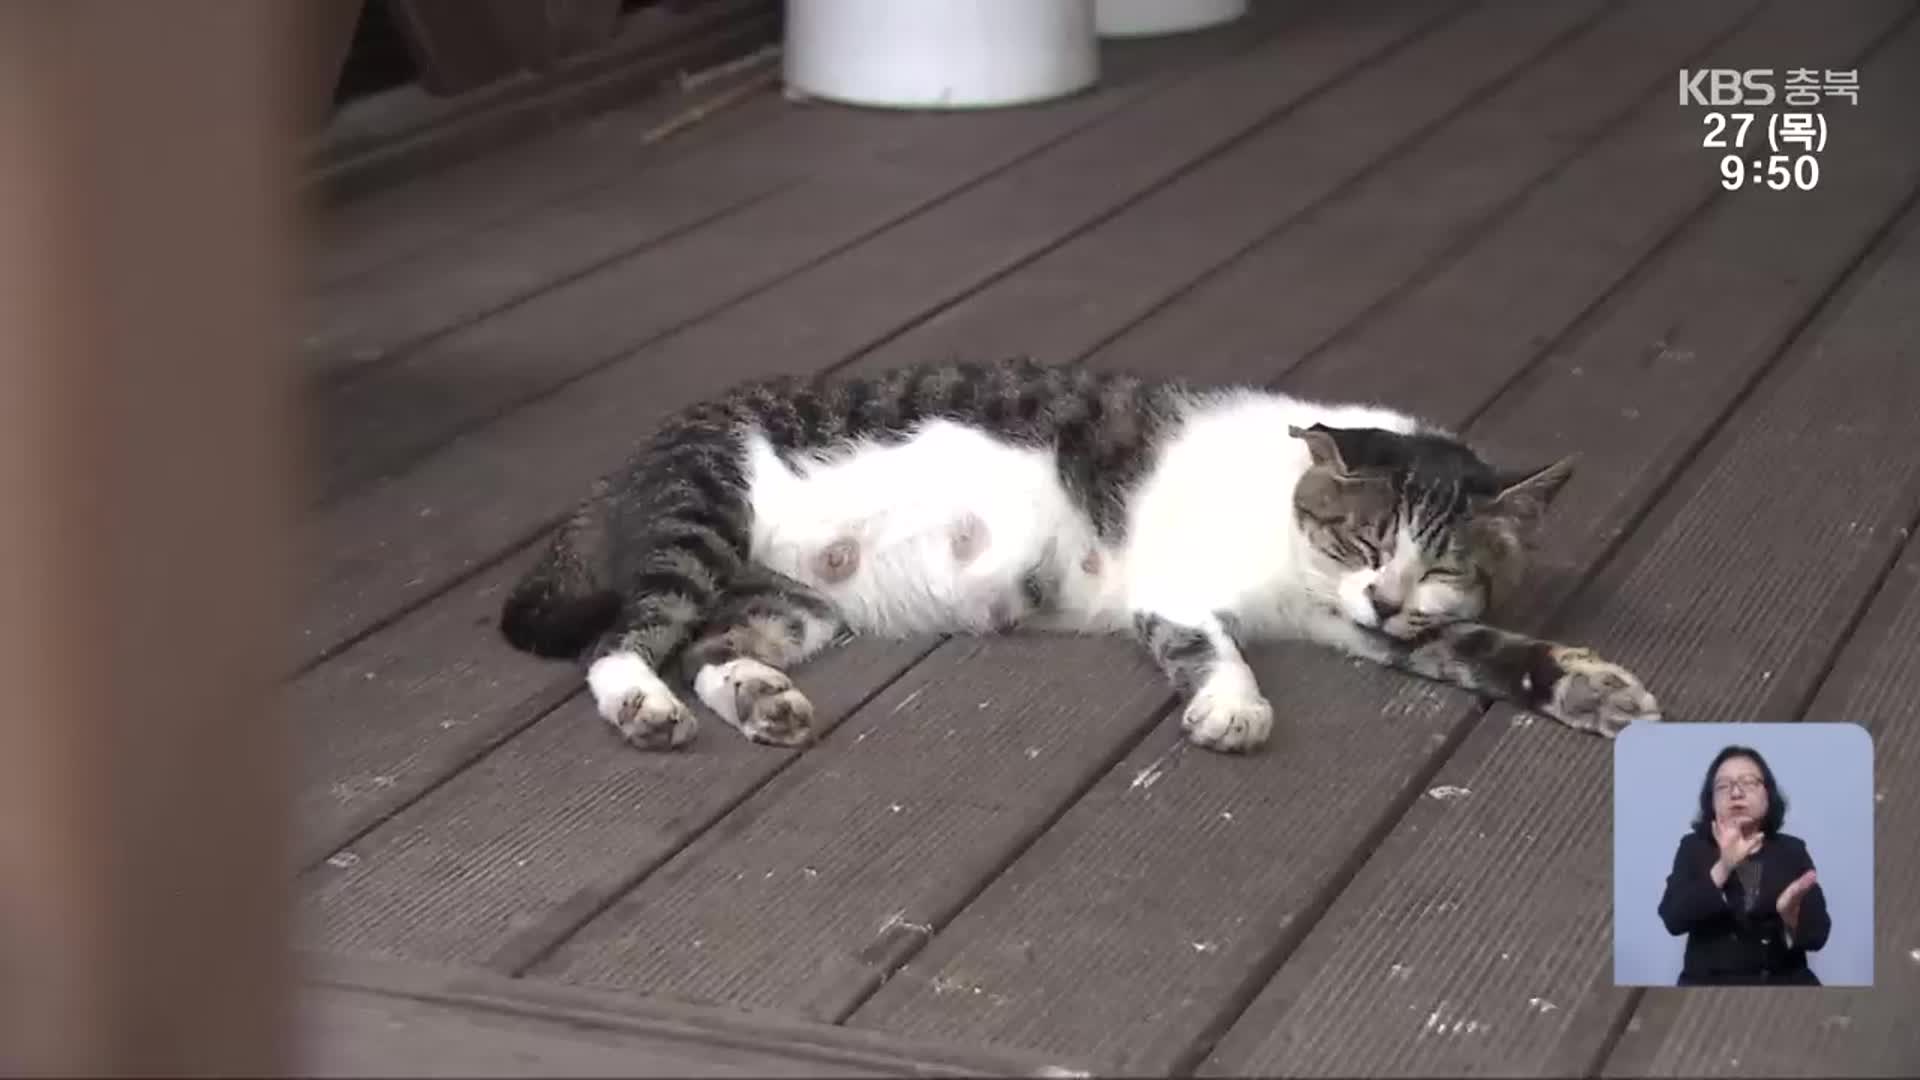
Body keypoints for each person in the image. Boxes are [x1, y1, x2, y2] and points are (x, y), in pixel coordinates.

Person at [1656, 744, 1829, 985]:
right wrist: (1724, 866)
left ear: (1768, 795)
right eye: (1723, 786)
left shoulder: (1792, 850)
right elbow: (1673, 919)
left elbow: (1818, 937)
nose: (1736, 792)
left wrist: (1791, 916)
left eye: (1748, 782)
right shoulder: (1693, 848)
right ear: (1711, 801)